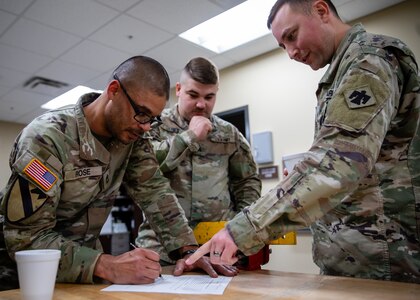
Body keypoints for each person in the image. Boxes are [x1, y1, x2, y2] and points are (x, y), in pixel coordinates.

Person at [186, 0, 420, 283]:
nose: (291, 53)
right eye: (283, 46)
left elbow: (338, 163)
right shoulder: (340, 73)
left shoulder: (369, 61)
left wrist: (243, 229)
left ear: (321, 11)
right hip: (356, 256)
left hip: (385, 260)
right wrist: (301, 179)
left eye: (291, 36)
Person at [0, 55, 236, 291]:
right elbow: (26, 239)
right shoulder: (48, 138)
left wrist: (187, 251)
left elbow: (155, 192)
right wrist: (107, 265)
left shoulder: (132, 139)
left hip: (85, 275)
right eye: (141, 113)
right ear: (114, 90)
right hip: (20, 278)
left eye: (151, 119)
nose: (145, 126)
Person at [136, 57, 261, 266]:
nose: (201, 104)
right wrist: (189, 136)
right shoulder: (153, 126)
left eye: (209, 97)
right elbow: (143, 169)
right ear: (178, 89)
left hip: (216, 247)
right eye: (193, 95)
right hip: (162, 247)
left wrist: (239, 229)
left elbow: (247, 182)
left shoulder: (229, 134)